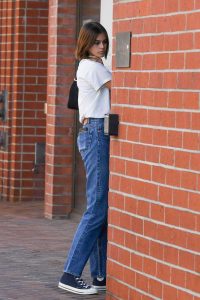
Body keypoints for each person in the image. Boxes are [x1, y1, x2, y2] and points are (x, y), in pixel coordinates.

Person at [58, 21, 112, 295]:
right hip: (95, 134)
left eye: (104, 42)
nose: (101, 47)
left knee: (100, 208)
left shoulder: (93, 65)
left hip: (96, 134)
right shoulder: (91, 66)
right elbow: (122, 89)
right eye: (96, 42)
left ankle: (100, 274)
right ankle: (70, 273)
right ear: (86, 43)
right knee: (96, 209)